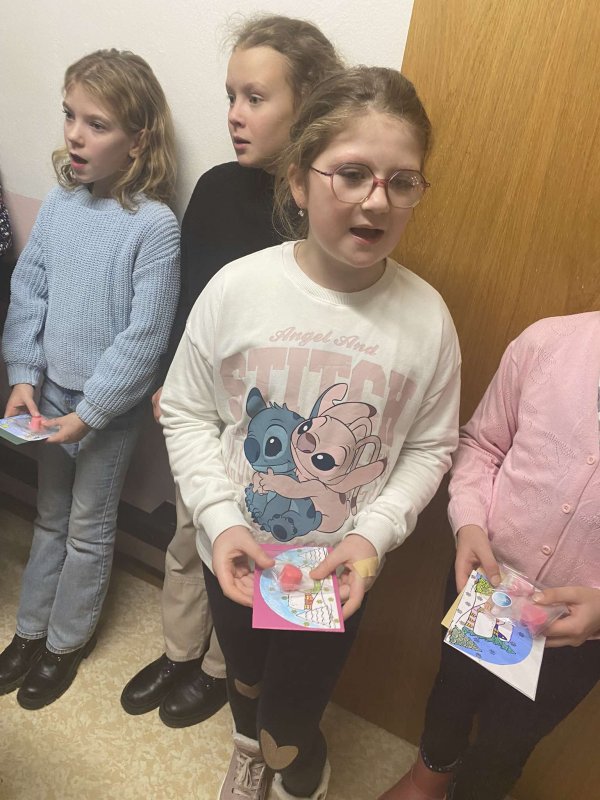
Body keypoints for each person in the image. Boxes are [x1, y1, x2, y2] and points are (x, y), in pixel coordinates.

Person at [160, 66, 461, 800]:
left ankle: (295, 764)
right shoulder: (237, 289)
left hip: (335, 576)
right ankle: (249, 749)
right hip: (235, 552)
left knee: (294, 705)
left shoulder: (426, 320)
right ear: (298, 181)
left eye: (402, 182)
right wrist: (221, 519)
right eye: (351, 174)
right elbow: (189, 411)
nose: (376, 201)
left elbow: (431, 445)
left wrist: (373, 536)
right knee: (245, 679)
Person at [120, 14, 343, 729]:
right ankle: (179, 653)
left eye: (255, 98)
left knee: (249, 548)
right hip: (203, 408)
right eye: (230, 97)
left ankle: (222, 670)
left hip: (275, 431)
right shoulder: (217, 188)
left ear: (307, 106)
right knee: (189, 536)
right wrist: (168, 377)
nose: (235, 115)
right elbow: (188, 298)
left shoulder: (319, 210)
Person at [0, 49, 180, 709]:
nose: (75, 135)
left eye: (96, 124)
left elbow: (145, 337)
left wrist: (91, 413)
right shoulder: (60, 203)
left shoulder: (155, 227)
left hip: (107, 411)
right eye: (70, 116)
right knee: (49, 517)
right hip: (49, 396)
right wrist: (23, 374)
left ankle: (64, 643)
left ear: (138, 140)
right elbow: (31, 288)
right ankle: (30, 630)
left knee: (87, 527)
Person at [379, 311, 600, 800]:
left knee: (511, 738)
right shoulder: (547, 344)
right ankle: (428, 778)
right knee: (452, 693)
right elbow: (483, 444)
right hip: (485, 583)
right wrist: (470, 522)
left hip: (579, 638)